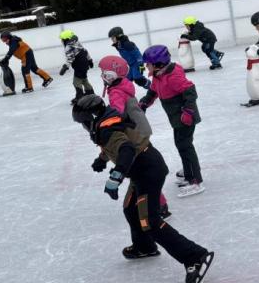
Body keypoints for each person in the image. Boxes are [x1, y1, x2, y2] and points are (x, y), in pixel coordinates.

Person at [72, 95, 214, 282]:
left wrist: (116, 177)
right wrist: (102, 159)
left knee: (151, 222)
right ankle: (145, 247)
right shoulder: (108, 120)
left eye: (84, 122)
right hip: (141, 168)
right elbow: (117, 141)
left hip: (148, 171)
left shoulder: (107, 128)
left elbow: (126, 149)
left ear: (91, 117)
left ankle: (194, 256)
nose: (84, 126)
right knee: (130, 209)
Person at [99, 55, 170, 218]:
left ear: (111, 74)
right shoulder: (123, 85)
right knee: (144, 169)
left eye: (104, 72)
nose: (102, 76)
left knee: (141, 171)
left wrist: (105, 120)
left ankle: (159, 204)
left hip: (136, 133)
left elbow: (117, 112)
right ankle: (159, 202)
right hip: (141, 129)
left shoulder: (116, 91)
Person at [138, 45, 205, 198]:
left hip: (185, 117)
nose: (146, 66)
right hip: (176, 118)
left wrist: (188, 112)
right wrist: (144, 102)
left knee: (185, 146)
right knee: (181, 144)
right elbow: (154, 91)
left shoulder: (173, 76)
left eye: (148, 63)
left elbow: (190, 91)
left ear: (158, 63)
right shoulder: (158, 75)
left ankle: (195, 179)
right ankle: (188, 170)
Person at [59, 30, 95, 104]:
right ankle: (90, 93)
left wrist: (65, 67)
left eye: (62, 40)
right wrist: (90, 60)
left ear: (66, 39)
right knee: (84, 80)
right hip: (85, 64)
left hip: (79, 66)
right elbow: (85, 51)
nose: (62, 41)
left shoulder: (68, 47)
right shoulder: (77, 43)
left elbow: (70, 58)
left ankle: (80, 97)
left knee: (76, 82)